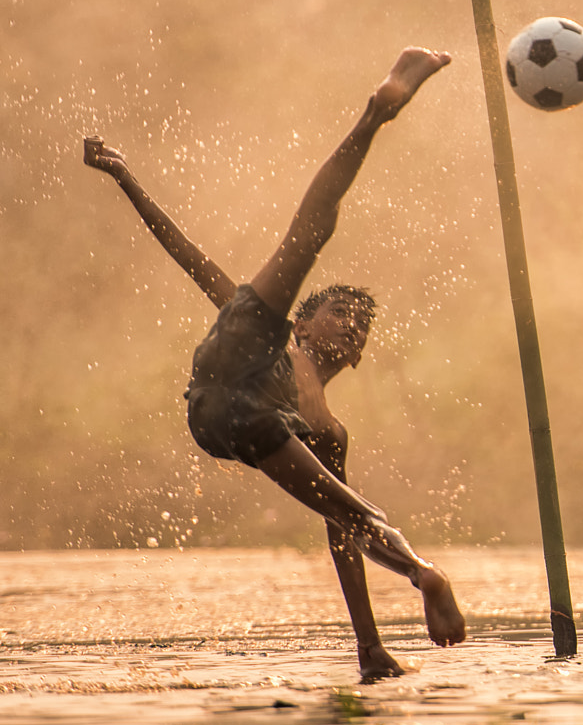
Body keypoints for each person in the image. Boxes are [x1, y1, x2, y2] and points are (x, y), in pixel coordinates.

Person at [83, 47, 466, 682]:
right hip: (231, 366)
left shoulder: (327, 428)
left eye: (360, 326)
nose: (351, 325)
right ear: (307, 319)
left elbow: (343, 532)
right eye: (340, 311)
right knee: (308, 236)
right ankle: (377, 112)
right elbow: (191, 257)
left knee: (357, 514)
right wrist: (127, 180)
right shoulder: (276, 330)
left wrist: (368, 645)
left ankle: (420, 580)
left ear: (360, 356)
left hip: (250, 424)